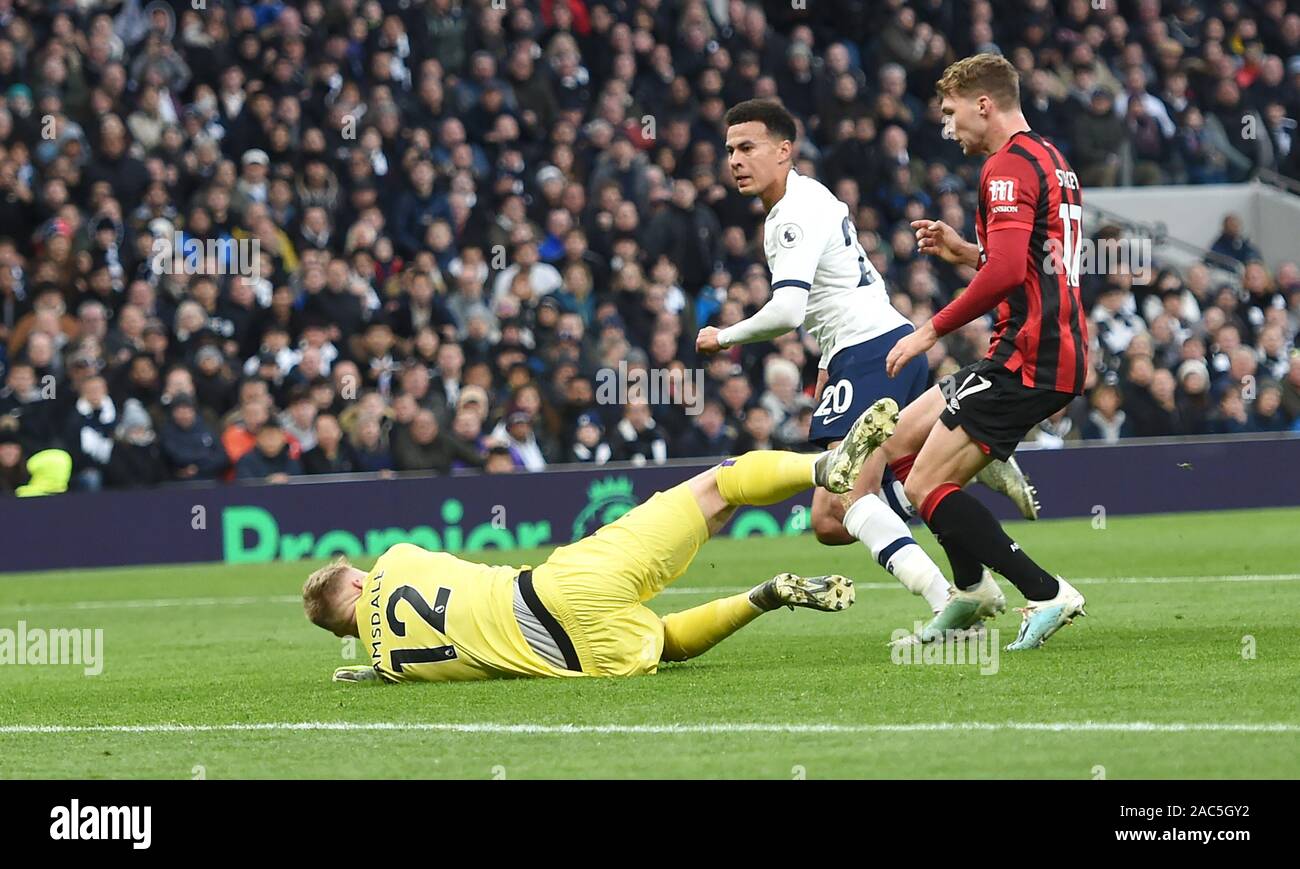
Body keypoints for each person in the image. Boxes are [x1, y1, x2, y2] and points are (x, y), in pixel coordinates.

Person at [696, 98, 1034, 622]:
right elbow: (861, 280)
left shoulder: (792, 214)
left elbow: (787, 310)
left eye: (747, 148)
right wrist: (829, 363)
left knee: (839, 507)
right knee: (832, 521)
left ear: (784, 151)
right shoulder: (809, 196)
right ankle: (951, 455)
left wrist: (723, 337)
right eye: (730, 151)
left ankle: (949, 600)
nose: (735, 160)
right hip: (872, 345)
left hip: (870, 351)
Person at [304, 406, 894, 683]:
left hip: (579, 660)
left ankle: (764, 597)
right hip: (555, 587)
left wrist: (369, 668)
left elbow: (387, 644)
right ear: (355, 580)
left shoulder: (390, 666)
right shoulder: (394, 560)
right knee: (717, 489)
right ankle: (824, 466)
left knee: (663, 642)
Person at [875, 54, 1090, 651]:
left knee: (922, 487)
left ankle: (1045, 592)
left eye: (951, 113)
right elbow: (1023, 265)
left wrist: (928, 331)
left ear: (984, 104)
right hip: (1046, 348)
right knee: (899, 443)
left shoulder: (1005, 167)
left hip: (1029, 355)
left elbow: (1003, 280)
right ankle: (970, 591)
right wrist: (965, 251)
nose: (948, 128)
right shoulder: (1050, 159)